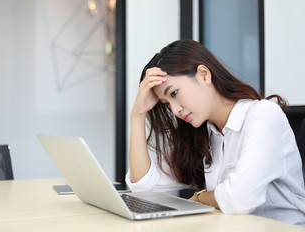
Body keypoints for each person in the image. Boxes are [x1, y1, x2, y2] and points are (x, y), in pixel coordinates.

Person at [125, 39, 305, 225]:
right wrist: (137, 116)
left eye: (174, 93)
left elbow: (239, 198)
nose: (175, 110)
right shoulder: (205, 132)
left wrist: (200, 198)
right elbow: (144, 187)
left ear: (204, 75)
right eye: (166, 104)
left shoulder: (264, 115)